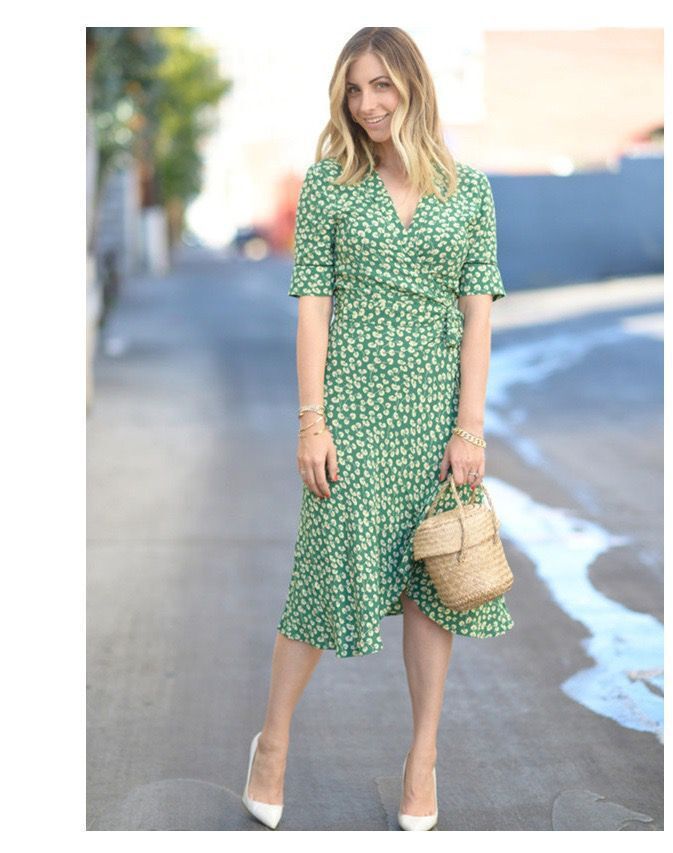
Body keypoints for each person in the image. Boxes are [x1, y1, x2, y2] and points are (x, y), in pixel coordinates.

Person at [241, 27, 514, 831]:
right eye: (354, 91)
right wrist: (310, 421)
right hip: (350, 415)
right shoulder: (330, 184)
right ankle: (273, 744)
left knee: (434, 587)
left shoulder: (470, 191)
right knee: (326, 578)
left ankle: (422, 758)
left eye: (381, 87)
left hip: (435, 421)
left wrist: (471, 428)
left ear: (413, 87)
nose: (367, 105)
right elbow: (313, 311)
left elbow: (478, 319)